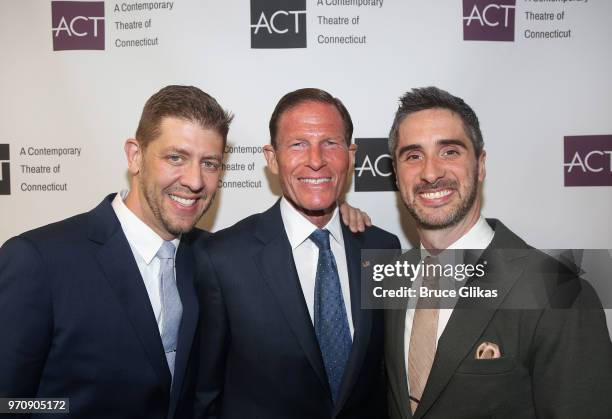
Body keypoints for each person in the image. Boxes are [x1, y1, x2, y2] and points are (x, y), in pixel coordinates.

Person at [0, 85, 233, 419]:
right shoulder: (39, 259)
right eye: (176, 158)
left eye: (209, 163)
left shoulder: (212, 257)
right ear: (135, 155)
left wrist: (334, 219)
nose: (195, 181)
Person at [384, 86, 612, 419]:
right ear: (396, 173)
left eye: (449, 151)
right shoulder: (391, 278)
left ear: (481, 164)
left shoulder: (560, 291)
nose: (431, 173)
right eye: (413, 156)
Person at [194, 88, 400, 419]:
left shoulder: (383, 249)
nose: (316, 160)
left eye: (330, 143)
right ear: (272, 158)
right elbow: (205, 394)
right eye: (298, 144)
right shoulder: (223, 259)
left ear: (351, 155)